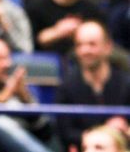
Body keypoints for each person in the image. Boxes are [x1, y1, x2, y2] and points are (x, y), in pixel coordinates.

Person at [56, 21, 130, 152]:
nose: (85, 50)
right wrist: (99, 137)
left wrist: (124, 130)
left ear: (108, 47)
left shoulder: (126, 83)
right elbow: (64, 132)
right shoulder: (67, 86)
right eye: (79, 45)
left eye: (92, 44)